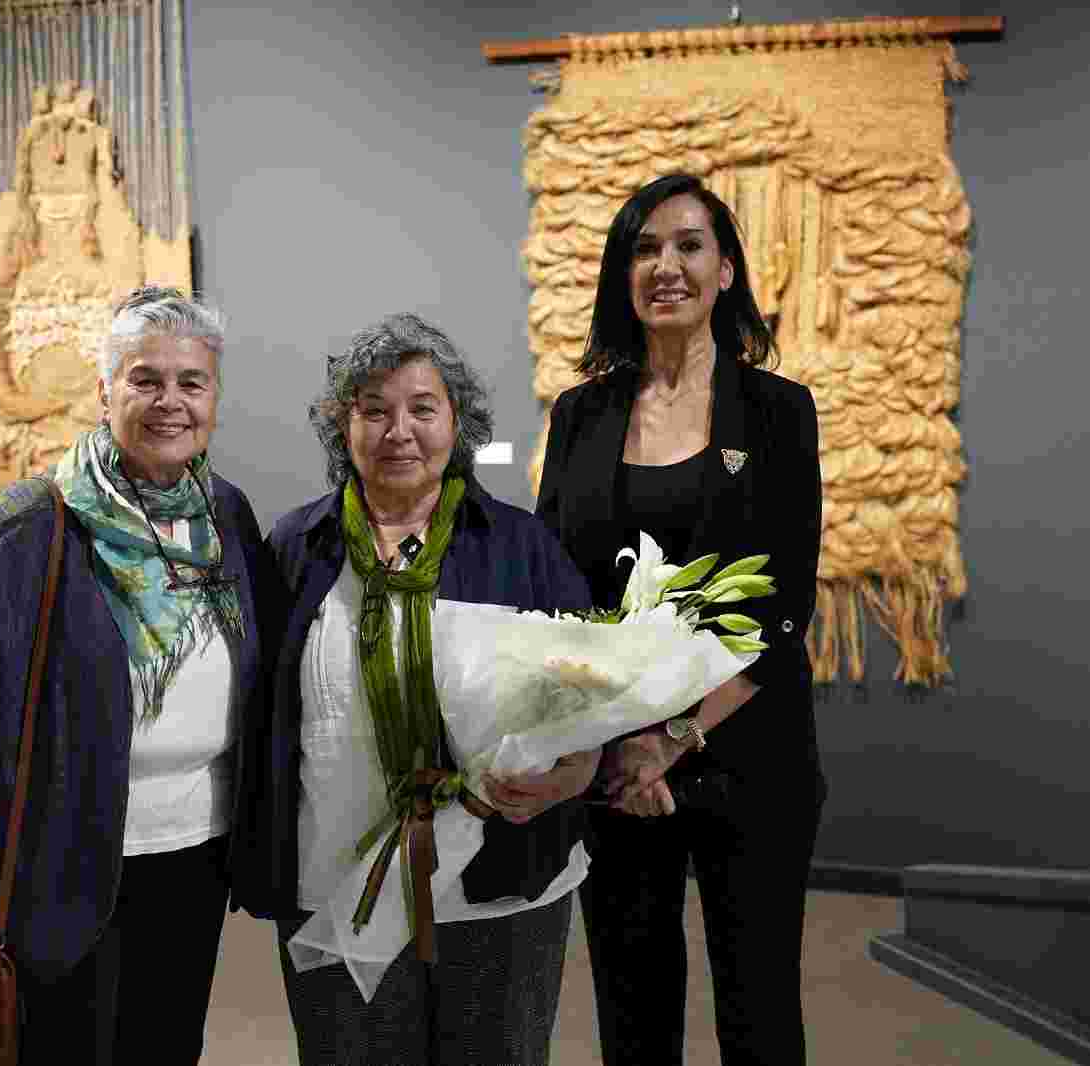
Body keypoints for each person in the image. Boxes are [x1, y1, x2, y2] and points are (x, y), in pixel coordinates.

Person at [0, 286, 278, 1065]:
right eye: (146, 379)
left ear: (213, 398)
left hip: (196, 851)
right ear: (105, 392)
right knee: (60, 1047)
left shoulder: (227, 518)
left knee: (164, 1045)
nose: (170, 401)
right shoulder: (24, 532)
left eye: (192, 382)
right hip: (57, 851)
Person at [232, 312, 596, 1066]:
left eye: (422, 408)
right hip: (339, 882)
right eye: (374, 410)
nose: (399, 431)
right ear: (343, 427)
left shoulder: (521, 546)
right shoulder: (296, 547)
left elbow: (590, 695)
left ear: (456, 422)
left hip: (494, 881)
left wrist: (572, 775)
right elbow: (260, 706)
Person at [535, 173, 827, 1065]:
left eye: (689, 245)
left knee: (760, 1013)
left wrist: (672, 738)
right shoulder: (581, 414)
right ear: (622, 275)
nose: (667, 266)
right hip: (617, 766)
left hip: (749, 754)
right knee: (633, 1015)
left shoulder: (778, 412)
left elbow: (784, 604)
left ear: (726, 270)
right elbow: (558, 589)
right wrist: (614, 740)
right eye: (645, 249)